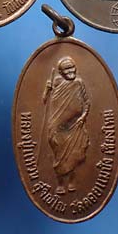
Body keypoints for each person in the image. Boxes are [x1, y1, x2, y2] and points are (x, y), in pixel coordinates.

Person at [43, 57, 90, 195]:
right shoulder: (56, 82)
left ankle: (71, 182)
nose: (70, 71)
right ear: (61, 72)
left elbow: (87, 102)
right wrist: (47, 90)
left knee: (73, 155)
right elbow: (44, 101)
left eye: (72, 68)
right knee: (59, 155)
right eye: (67, 69)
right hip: (57, 127)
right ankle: (60, 184)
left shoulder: (79, 83)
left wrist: (83, 117)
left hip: (75, 125)